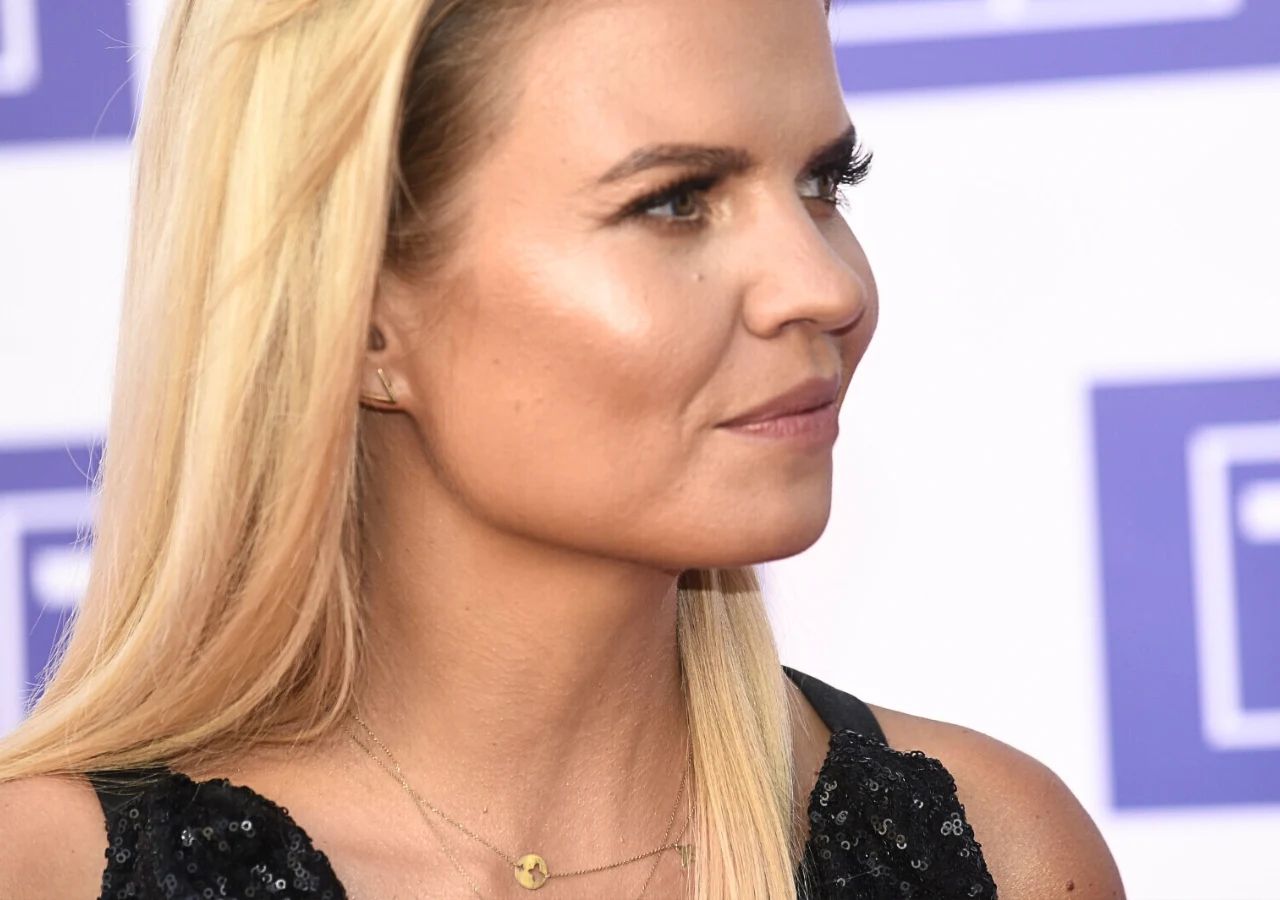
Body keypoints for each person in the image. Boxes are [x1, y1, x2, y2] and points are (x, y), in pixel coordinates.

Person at [0, 0, 1126, 897]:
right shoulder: (45, 871)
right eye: (676, 201)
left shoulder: (996, 854)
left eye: (823, 182)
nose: (826, 287)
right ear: (363, 311)